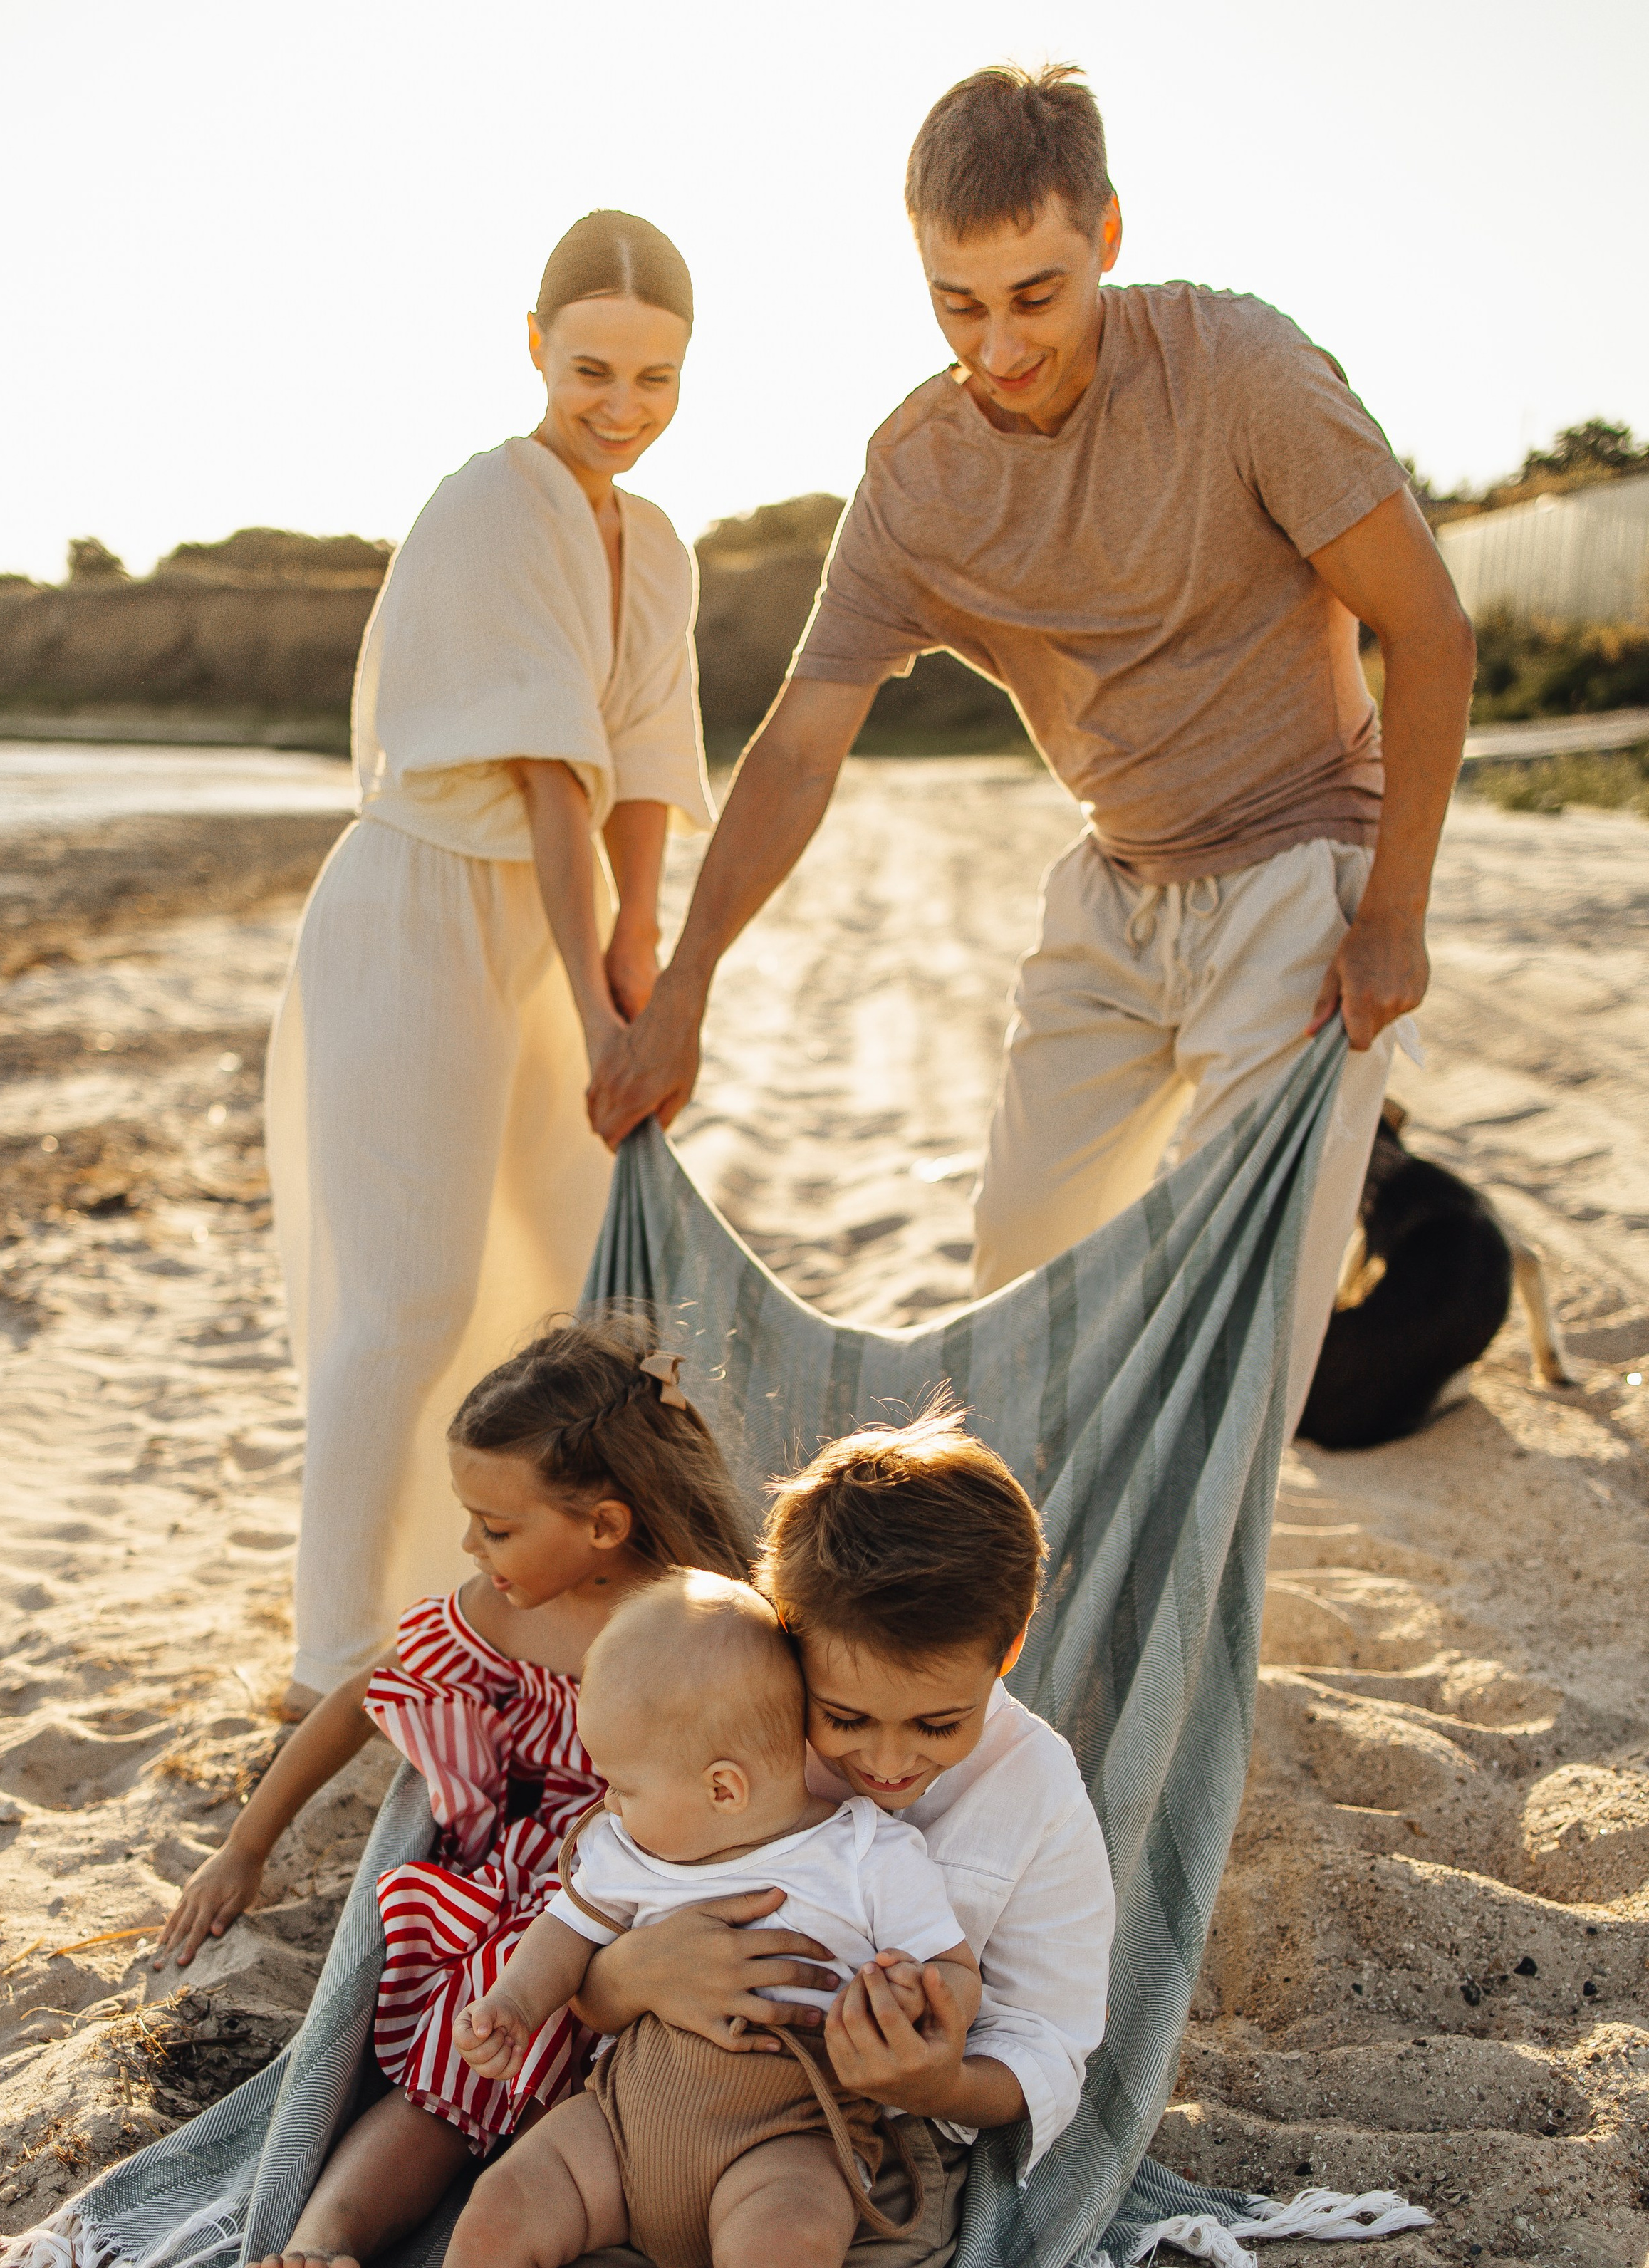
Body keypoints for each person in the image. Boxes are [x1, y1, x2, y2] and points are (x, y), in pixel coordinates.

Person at [586, 67, 1477, 1435]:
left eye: (1036, 297)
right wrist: (689, 983)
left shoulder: (1246, 377)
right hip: (1117, 887)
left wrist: (1396, 912)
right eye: (958, 304)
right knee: (1019, 1267)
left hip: (1305, 874)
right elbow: (801, 750)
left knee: (1247, 1317)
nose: (998, 348)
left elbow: (1431, 630)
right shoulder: (916, 481)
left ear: (1107, 239)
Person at [245, 1411, 1114, 2268]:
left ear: (1004, 1658)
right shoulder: (723, 1709)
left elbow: (1049, 2042)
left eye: (936, 1721)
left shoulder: (1033, 1794)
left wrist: (940, 2083)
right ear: (786, 1640)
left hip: (844, 2165)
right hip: (651, 2120)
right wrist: (626, 1980)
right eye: (846, 1718)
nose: (883, 1760)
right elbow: (592, 1925)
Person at [265, 209, 712, 1705]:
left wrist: (634, 960)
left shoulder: (652, 543)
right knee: (407, 1293)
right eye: (592, 369)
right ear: (533, 347)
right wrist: (596, 1015)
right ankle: (339, 1655)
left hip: (552, 914)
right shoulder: (489, 502)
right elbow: (541, 777)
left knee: (557, 1278)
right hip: (419, 906)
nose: (622, 409)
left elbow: (641, 764)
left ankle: (501, 1619)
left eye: (656, 380)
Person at [153, 1315, 754, 2268]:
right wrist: (246, 1846)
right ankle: (329, 2238)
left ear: (606, 1525)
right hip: (522, 1899)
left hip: (654, 1891)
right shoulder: (505, 1610)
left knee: (623, 2107)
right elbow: (355, 1702)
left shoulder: (706, 1622)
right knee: (449, 2072)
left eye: (497, 1526)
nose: (474, 1548)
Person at [431, 1571, 977, 2268]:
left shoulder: (868, 1859)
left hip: (787, 2132)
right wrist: (515, 2003)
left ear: (725, 1786)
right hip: (625, 2122)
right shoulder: (631, 1847)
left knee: (795, 2249)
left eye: (625, 1783)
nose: (607, 1801)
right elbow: (568, 1930)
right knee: (498, 2211)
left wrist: (918, 2005)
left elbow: (954, 1969)